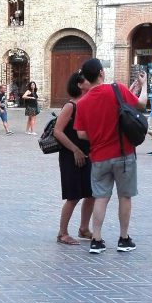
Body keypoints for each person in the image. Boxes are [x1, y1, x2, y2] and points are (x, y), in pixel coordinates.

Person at [73, 58, 147, 254]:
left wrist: (98, 135)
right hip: (124, 154)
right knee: (125, 196)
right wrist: (144, 85)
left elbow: (80, 133)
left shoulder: (83, 102)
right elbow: (140, 104)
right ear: (101, 73)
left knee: (101, 197)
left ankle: (96, 240)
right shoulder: (117, 89)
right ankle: (124, 239)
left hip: (98, 156)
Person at [53, 70, 94, 244]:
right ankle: (62, 233)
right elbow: (57, 131)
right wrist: (75, 149)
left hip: (88, 153)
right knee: (73, 195)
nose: (90, 82)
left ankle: (84, 228)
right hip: (71, 155)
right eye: (87, 80)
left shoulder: (88, 103)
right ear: (79, 84)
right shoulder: (71, 106)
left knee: (91, 193)